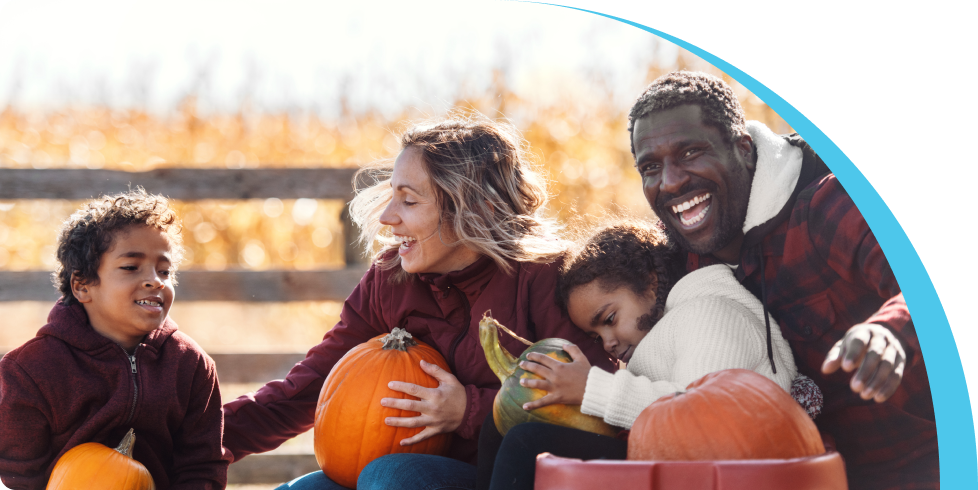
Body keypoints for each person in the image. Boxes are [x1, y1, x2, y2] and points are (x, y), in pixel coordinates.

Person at [219, 112, 616, 490]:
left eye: (409, 201)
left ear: (477, 209)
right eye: (392, 197)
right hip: (403, 469)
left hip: (507, 477)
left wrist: (470, 410)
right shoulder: (391, 278)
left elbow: (587, 406)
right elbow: (311, 387)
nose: (388, 217)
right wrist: (195, 443)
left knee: (390, 477)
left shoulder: (547, 279)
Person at [628, 71, 936, 489]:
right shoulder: (683, 268)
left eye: (690, 152)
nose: (670, 181)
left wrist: (890, 332)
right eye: (650, 167)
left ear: (743, 149)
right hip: (803, 474)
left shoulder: (829, 203)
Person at [476, 219, 802, 490]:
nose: (607, 343)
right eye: (595, 335)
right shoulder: (671, 328)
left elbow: (700, 417)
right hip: (677, 461)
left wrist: (592, 389)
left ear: (650, 282)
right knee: (501, 422)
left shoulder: (710, 314)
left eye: (609, 320)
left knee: (528, 442)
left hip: (730, 471)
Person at [0, 188, 227, 490]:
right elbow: (16, 475)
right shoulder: (31, 371)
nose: (155, 280)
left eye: (165, 270)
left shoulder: (191, 366)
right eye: (131, 267)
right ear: (82, 286)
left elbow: (202, 467)